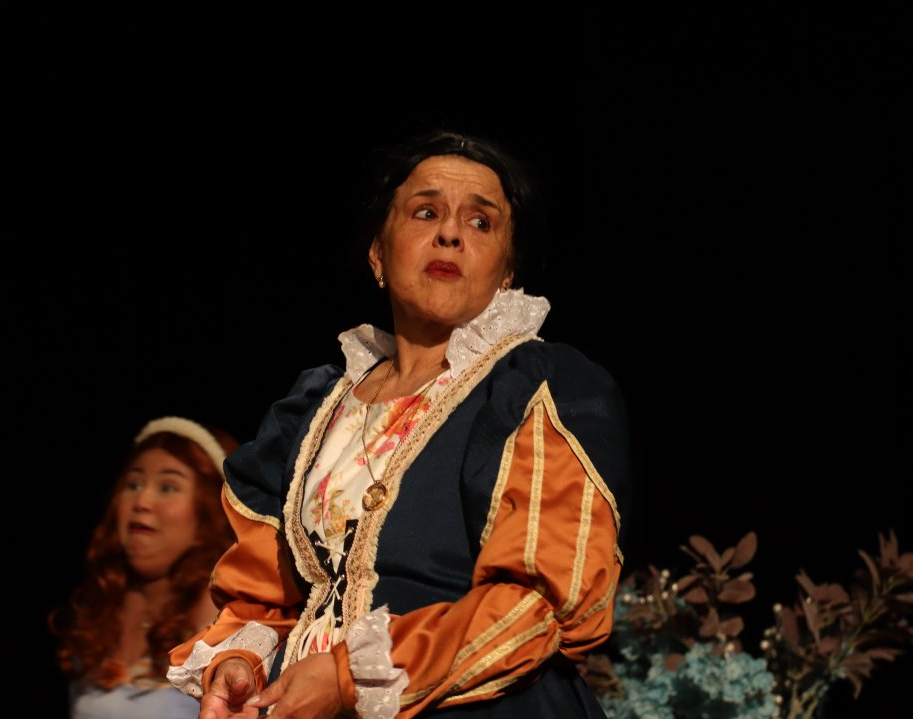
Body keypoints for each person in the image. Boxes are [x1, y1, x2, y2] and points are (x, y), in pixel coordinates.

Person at [168, 130, 632, 719]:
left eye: (481, 222)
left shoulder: (536, 386)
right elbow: (265, 598)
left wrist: (349, 678)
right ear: (378, 254)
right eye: (426, 212)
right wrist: (242, 663)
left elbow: (541, 605)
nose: (451, 234)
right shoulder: (313, 408)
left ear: (507, 270)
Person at [50, 416, 241, 719]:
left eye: (168, 487)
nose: (142, 500)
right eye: (134, 484)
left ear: (210, 511)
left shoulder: (225, 619)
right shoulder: (101, 608)